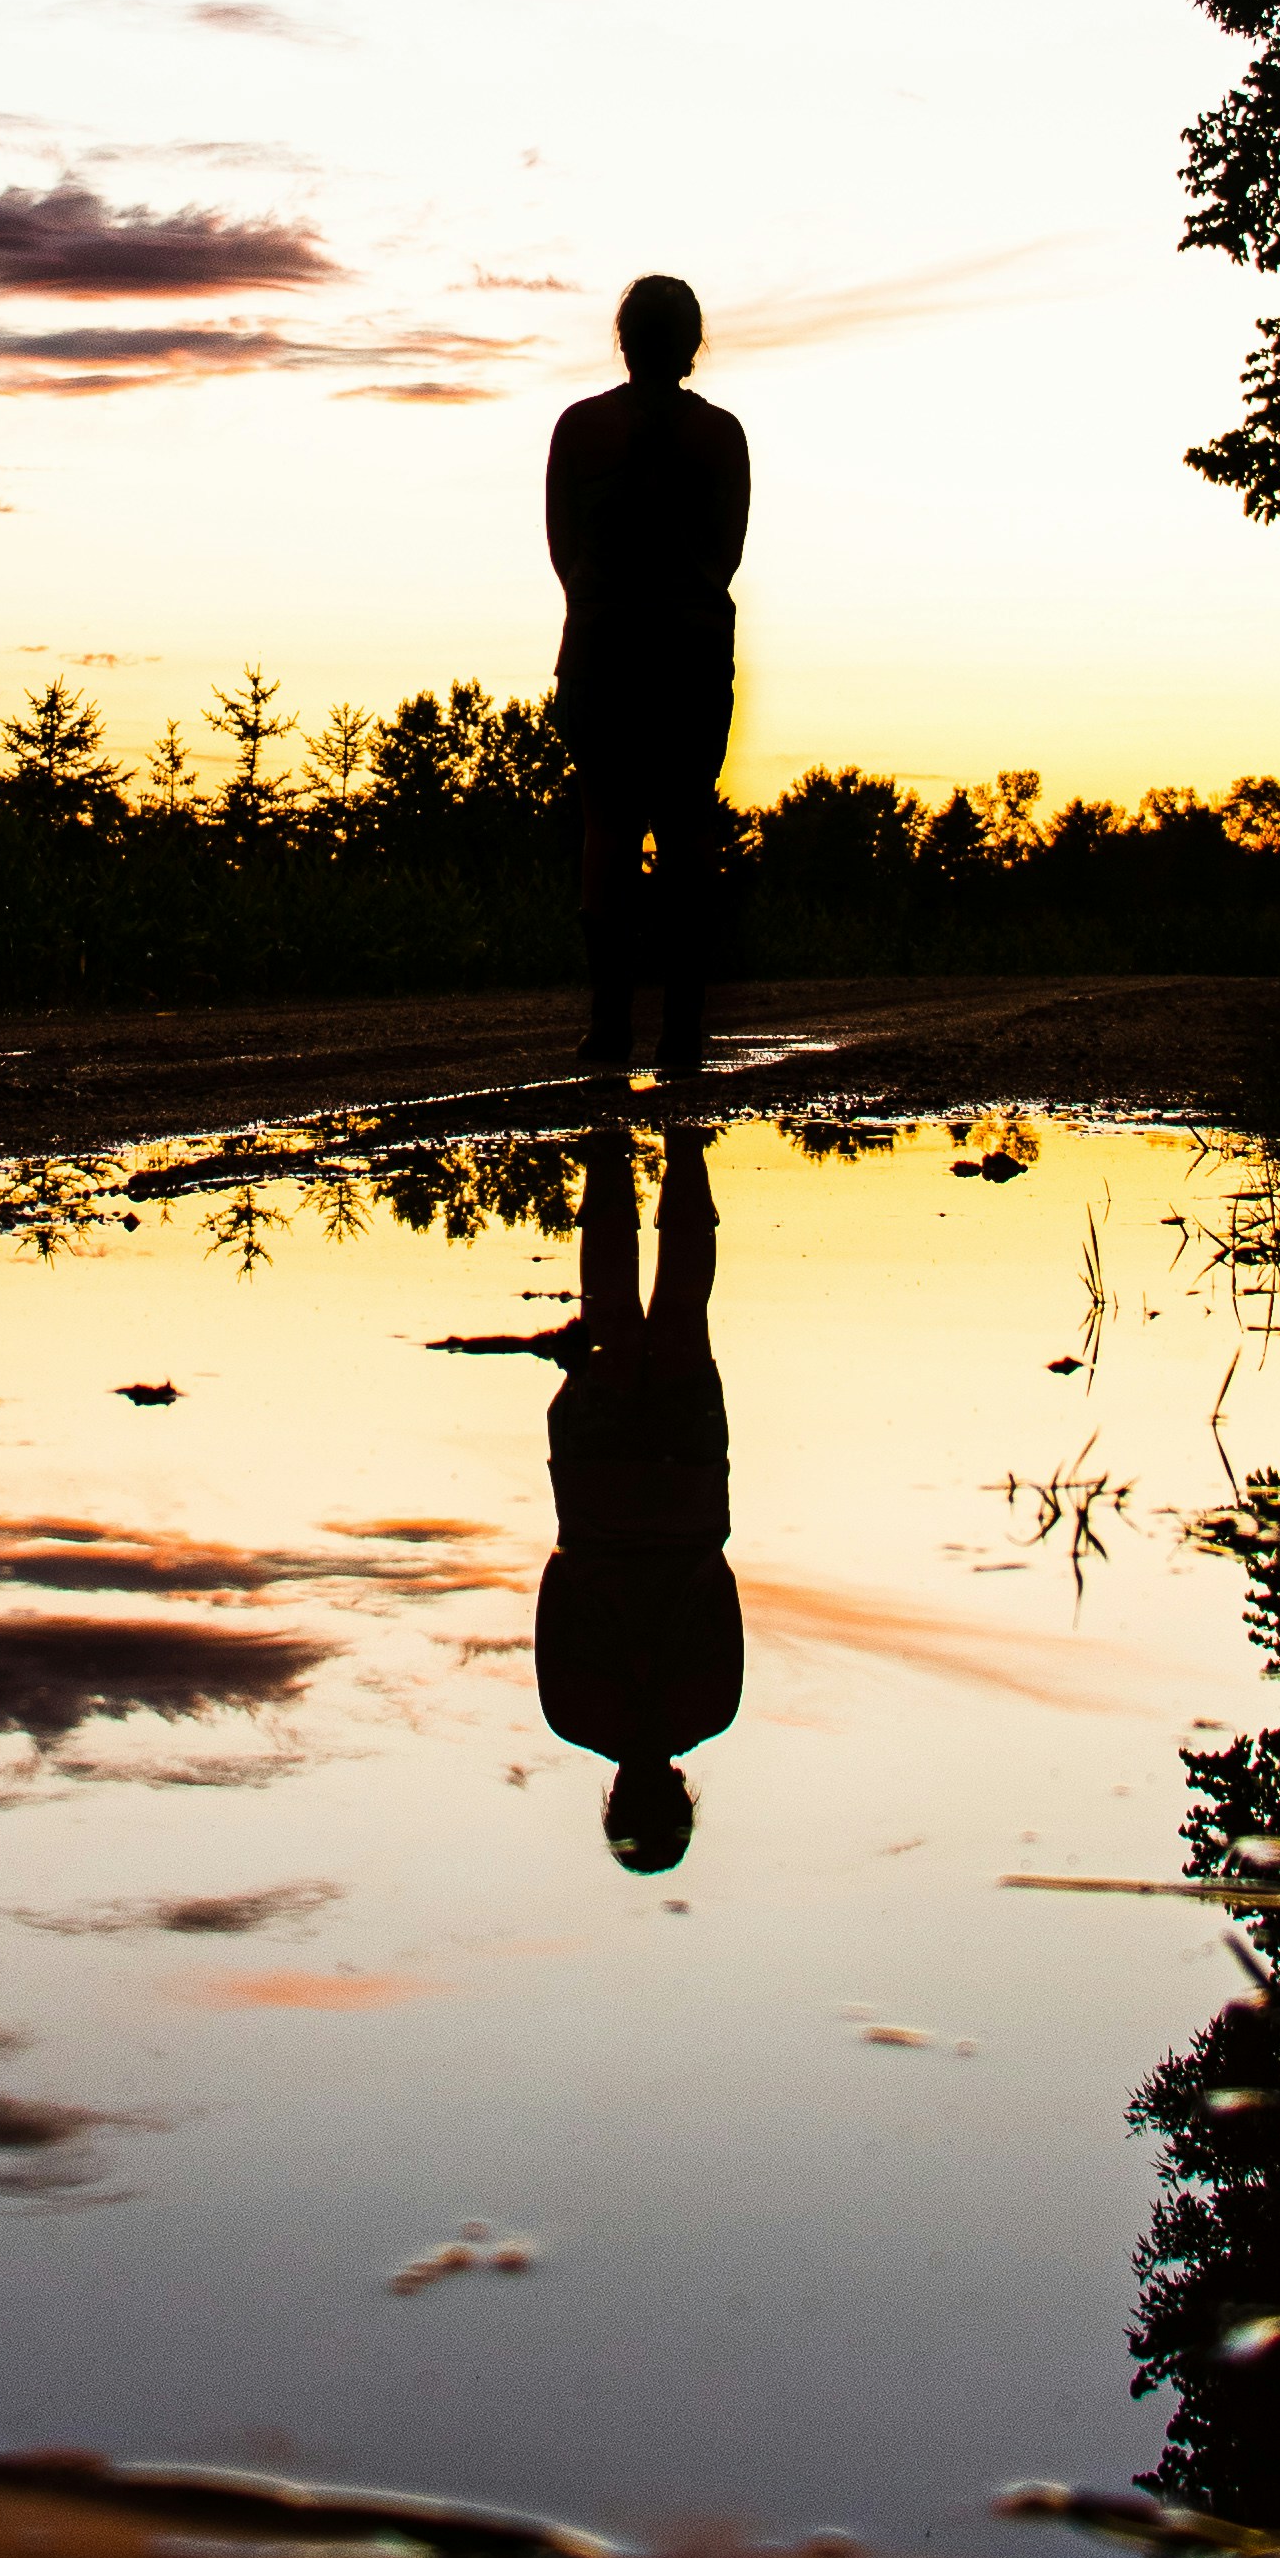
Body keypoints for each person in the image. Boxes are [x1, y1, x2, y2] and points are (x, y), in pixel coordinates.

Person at [546, 271, 748, 1083]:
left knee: (606, 824)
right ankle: (684, 1030)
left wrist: (605, 602)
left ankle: (609, 1026)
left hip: (602, 643)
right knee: (688, 824)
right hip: (690, 648)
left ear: (624, 339)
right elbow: (726, 554)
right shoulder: (722, 436)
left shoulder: (580, 428)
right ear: (692, 342)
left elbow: (563, 551)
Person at [533, 1122, 740, 1872]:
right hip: (598, 1499)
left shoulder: (711, 1709)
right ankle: (609, 1148)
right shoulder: (573, 1715)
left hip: (686, 1499)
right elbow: (554, 1591)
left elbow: (720, 1589)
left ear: (682, 1801)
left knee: (683, 1312)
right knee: (613, 1312)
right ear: (614, 1800)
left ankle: (684, 1148)